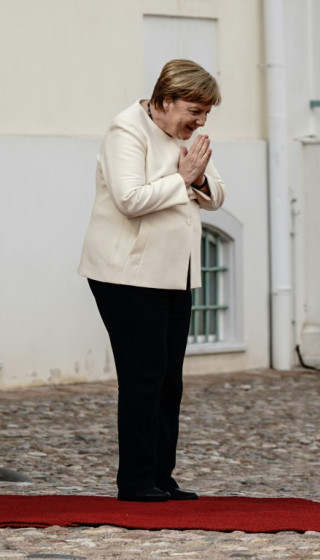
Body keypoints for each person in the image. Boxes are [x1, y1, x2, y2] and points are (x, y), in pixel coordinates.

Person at [79, 59, 226, 502]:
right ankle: (136, 482)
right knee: (143, 377)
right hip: (125, 273)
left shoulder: (187, 137)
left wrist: (196, 179)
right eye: (194, 111)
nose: (199, 122)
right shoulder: (126, 130)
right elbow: (129, 200)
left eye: (206, 114)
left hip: (174, 273)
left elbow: (217, 196)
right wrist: (183, 178)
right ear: (164, 100)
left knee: (169, 380)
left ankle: (162, 477)